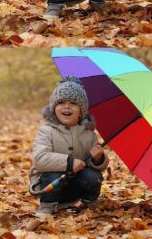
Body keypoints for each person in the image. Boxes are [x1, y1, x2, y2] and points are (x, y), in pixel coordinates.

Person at [29, 77, 109, 217]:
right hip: (49, 185)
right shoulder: (47, 131)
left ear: (81, 111)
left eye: (73, 103)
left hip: (75, 185)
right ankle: (47, 206)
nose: (67, 106)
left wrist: (98, 159)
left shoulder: (89, 135)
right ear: (54, 108)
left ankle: (88, 201)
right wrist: (69, 162)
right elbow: (39, 159)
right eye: (61, 102)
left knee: (93, 176)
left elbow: (95, 165)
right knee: (53, 173)